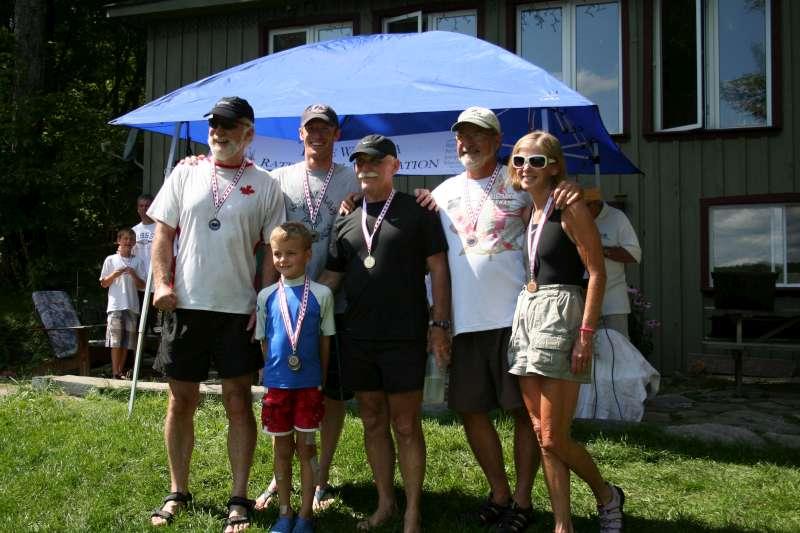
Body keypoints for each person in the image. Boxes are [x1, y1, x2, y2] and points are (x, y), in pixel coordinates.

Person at [428, 107, 580, 532]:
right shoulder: (441, 193)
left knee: (523, 415)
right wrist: (439, 324)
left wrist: (570, 189)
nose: (469, 143)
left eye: (478, 135)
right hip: (465, 323)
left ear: (497, 142)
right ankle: (498, 492)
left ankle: (523, 500)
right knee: (471, 411)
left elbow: (562, 202)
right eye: (462, 136)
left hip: (517, 321)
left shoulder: (520, 184)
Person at [147, 96, 285, 532]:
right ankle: (177, 491)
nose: (218, 132)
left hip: (237, 311)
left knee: (238, 402)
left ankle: (239, 497)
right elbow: (162, 234)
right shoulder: (185, 173)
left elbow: (273, 251)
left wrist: (263, 302)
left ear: (248, 133)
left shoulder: (266, 184)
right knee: (180, 400)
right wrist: (162, 284)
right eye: (213, 125)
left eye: (228, 125)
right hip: (185, 306)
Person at [319, 134, 450, 533]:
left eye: (376, 160)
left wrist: (439, 324)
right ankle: (385, 503)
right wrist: (297, 303)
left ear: (395, 165)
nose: (367, 167)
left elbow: (439, 268)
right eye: (361, 161)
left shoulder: (417, 210)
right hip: (357, 336)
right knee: (373, 420)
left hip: (404, 335)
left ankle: (413, 511)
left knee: (406, 424)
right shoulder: (347, 217)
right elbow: (332, 277)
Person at [506, 131, 623, 533]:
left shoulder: (570, 207)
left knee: (555, 436)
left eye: (536, 161)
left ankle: (607, 495)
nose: (526, 167)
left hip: (562, 313)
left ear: (554, 166)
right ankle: (562, 524)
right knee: (541, 432)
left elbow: (597, 272)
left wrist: (585, 334)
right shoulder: (530, 212)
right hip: (528, 313)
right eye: (519, 160)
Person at [254, 104, 361, 513]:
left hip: (336, 301)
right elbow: (270, 242)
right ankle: (279, 476)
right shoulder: (280, 178)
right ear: (300, 134)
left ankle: (320, 477)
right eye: (310, 128)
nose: (317, 135)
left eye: (325, 128)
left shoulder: (352, 177)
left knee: (330, 394)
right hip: (286, 306)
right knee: (284, 390)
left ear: (336, 134)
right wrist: (266, 297)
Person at [255, 222, 335, 533]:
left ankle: (305, 515)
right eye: (277, 254)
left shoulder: (322, 294)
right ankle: (284, 512)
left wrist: (319, 380)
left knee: (307, 448)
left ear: (307, 255)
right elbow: (264, 341)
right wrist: (273, 374)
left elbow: (325, 342)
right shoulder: (266, 296)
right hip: (278, 387)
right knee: (281, 449)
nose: (283, 259)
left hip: (309, 386)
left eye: (291, 253)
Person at [584, 188, 641, 339]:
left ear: (595, 203)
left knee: (617, 348)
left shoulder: (617, 218)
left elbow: (634, 254)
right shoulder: (576, 218)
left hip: (612, 302)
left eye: (584, 206)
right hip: (582, 301)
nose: (580, 211)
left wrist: (601, 250)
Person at [99, 228, 146, 379]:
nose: (128, 242)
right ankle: (115, 372)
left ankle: (120, 372)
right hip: (115, 305)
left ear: (134, 242)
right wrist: (115, 274)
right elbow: (104, 283)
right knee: (115, 341)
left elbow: (143, 286)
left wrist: (133, 274)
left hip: (132, 306)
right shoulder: (111, 259)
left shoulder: (138, 261)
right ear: (118, 241)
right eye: (125, 238)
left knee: (127, 343)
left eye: (131, 239)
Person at [132, 193, 158, 334]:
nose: (144, 209)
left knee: (156, 328)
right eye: (141, 206)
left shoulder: (161, 228)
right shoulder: (133, 231)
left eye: (147, 206)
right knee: (137, 327)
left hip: (156, 285)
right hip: (138, 284)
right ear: (137, 209)